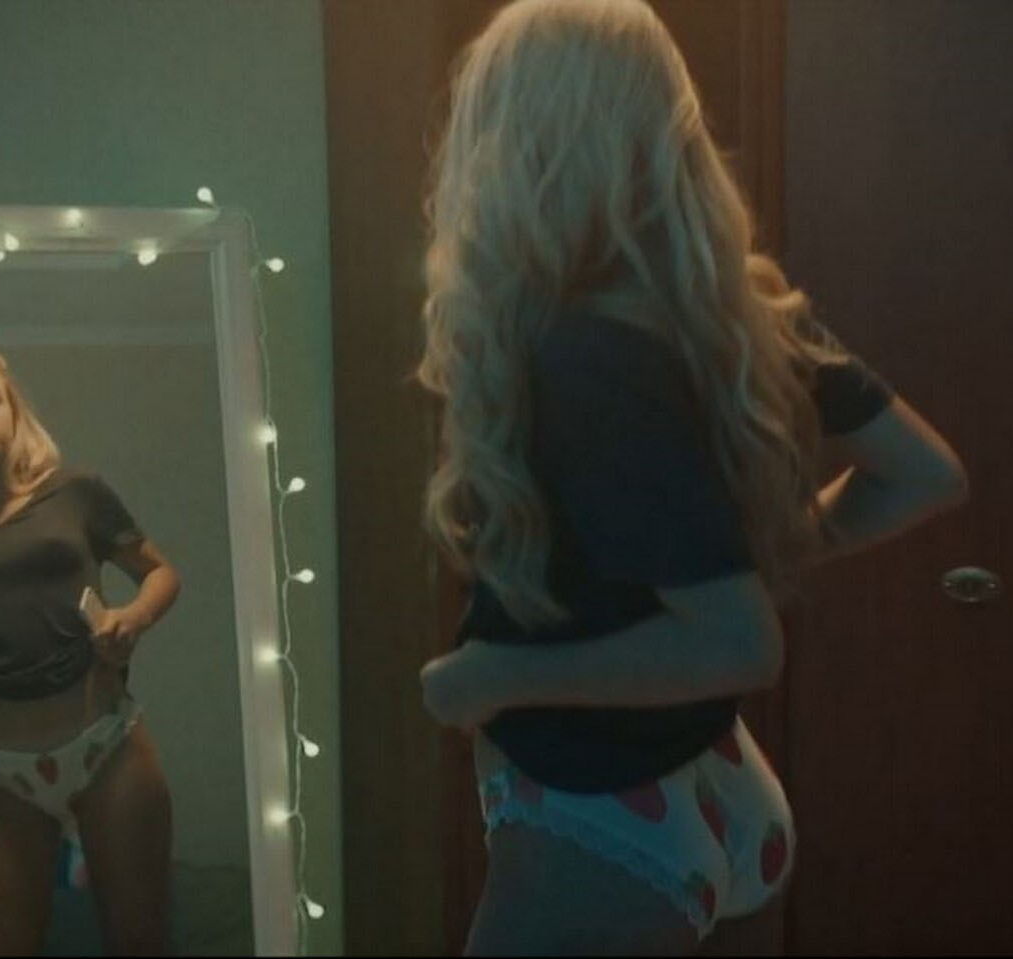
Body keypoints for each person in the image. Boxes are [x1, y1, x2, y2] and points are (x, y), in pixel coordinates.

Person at [414, 0, 968, 954]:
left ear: (517, 141)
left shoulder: (581, 350)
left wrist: (492, 674)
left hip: (597, 811)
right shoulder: (736, 304)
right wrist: (760, 546)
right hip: (724, 790)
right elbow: (924, 475)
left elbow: (737, 642)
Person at [0, 342, 181, 955]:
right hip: (2, 770)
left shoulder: (75, 492)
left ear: (13, 410)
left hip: (106, 748)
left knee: (139, 940)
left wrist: (132, 618)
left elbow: (160, 573)